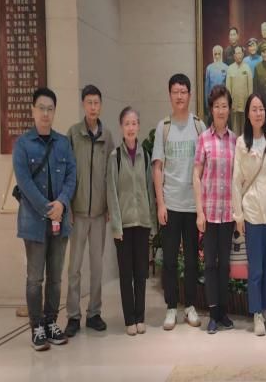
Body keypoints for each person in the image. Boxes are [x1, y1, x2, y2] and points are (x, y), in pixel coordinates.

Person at [13, 87, 76, 351]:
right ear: (33, 110)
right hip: (34, 222)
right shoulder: (23, 144)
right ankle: (37, 326)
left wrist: (62, 202)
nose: (46, 113)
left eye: (50, 109)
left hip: (60, 221)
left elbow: (72, 175)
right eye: (41, 108)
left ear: (54, 111)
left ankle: (51, 322)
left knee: (55, 278)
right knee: (35, 278)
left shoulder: (62, 143)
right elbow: (24, 182)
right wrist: (47, 208)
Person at [152, 73, 206, 331]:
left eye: (184, 91)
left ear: (190, 95)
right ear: (170, 95)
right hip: (171, 204)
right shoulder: (163, 127)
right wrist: (160, 204)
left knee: (193, 260)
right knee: (170, 259)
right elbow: (158, 168)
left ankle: (191, 306)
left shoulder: (199, 126)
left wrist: (203, 206)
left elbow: (205, 165)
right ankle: (171, 307)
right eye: (175, 92)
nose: (180, 96)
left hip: (193, 205)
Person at [65, 84, 114, 337]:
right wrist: (68, 207)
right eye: (89, 103)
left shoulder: (108, 135)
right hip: (77, 212)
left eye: (97, 103)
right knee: (74, 267)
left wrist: (109, 207)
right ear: (83, 105)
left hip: (99, 214)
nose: (93, 107)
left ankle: (94, 313)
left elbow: (110, 175)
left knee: (97, 266)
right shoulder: (73, 134)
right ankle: (73, 315)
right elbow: (67, 172)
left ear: (101, 105)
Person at [107, 107, 156, 336]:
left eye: (134, 123)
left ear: (138, 126)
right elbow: (111, 193)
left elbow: (149, 191)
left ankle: (140, 317)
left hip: (142, 224)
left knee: (141, 274)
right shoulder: (115, 157)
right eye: (127, 123)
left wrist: (151, 222)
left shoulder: (145, 155)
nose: (130, 128)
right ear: (121, 127)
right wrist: (116, 226)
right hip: (124, 226)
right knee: (126, 275)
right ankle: (129, 319)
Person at [232, 93, 266, 336]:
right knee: (257, 268)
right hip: (251, 211)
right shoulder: (242, 143)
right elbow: (236, 181)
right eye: (254, 109)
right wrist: (238, 216)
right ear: (248, 114)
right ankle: (256, 313)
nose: (258, 113)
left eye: (261, 109)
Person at [194, 85, 237, 334]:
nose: (221, 110)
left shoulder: (235, 140)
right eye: (217, 106)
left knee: (224, 265)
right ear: (211, 109)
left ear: (229, 109)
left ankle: (223, 312)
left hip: (228, 213)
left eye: (224, 106)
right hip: (209, 213)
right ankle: (212, 313)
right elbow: (196, 175)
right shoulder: (204, 139)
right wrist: (199, 212)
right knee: (210, 264)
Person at [226, 46, 253, 136]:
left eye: (240, 53)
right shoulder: (230, 68)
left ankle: (244, 142)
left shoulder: (247, 68)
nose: (239, 55)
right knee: (235, 128)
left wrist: (249, 103)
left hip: (245, 103)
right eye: (237, 53)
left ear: (243, 54)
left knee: (245, 126)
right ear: (234, 56)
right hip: (234, 103)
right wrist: (229, 103)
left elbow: (250, 87)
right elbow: (228, 88)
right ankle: (235, 142)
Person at [205, 45, 229, 121]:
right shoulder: (209, 68)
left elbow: (228, 86)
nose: (217, 56)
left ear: (221, 54)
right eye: (215, 54)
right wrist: (207, 102)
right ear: (213, 54)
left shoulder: (226, 67)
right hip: (212, 98)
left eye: (219, 54)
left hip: (223, 98)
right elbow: (207, 86)